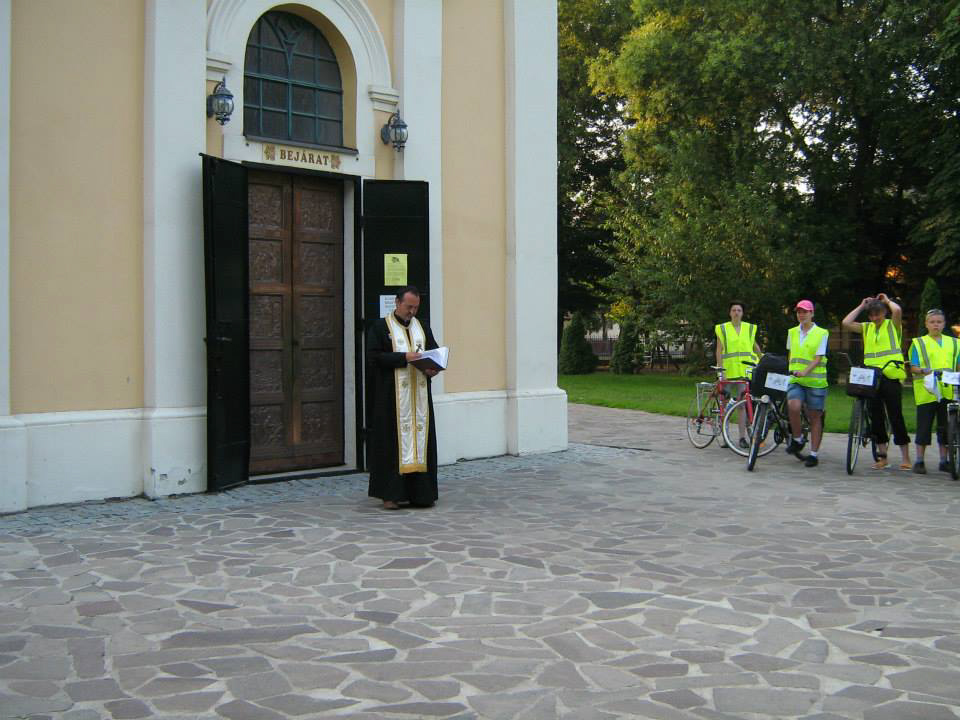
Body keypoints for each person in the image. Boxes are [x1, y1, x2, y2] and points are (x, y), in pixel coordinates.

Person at [366, 286, 440, 509]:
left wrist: (434, 368)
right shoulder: (380, 327)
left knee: (421, 443)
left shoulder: (422, 327)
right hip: (391, 398)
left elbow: (434, 352)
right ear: (397, 303)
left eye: (416, 308)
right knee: (391, 445)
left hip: (419, 399)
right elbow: (374, 357)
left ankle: (422, 494)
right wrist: (403, 357)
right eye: (409, 307)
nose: (412, 312)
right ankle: (390, 495)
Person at [841, 294, 912, 470]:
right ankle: (883, 457)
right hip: (871, 376)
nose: (874, 318)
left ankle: (906, 458)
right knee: (876, 416)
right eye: (871, 315)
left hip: (890, 375)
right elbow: (846, 323)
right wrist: (861, 305)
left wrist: (887, 301)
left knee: (895, 416)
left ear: (884, 313)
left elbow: (897, 310)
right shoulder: (867, 328)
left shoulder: (893, 325)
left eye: (877, 314)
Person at [909, 308, 960, 475]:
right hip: (927, 390)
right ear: (926, 324)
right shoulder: (919, 343)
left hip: (948, 390)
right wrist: (924, 371)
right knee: (924, 426)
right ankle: (919, 461)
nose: (935, 325)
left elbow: (957, 365)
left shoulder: (955, 343)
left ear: (944, 324)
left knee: (946, 427)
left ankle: (944, 460)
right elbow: (913, 367)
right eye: (932, 322)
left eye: (939, 322)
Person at [786, 300, 828, 467]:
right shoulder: (792, 332)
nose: (801, 315)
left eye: (805, 312)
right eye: (799, 312)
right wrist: (791, 369)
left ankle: (813, 454)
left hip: (815, 381)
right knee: (793, 406)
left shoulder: (821, 333)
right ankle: (797, 438)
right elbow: (791, 354)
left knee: (815, 417)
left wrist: (805, 371)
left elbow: (818, 358)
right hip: (796, 379)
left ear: (812, 313)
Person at [715, 301, 762, 448]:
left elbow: (754, 346)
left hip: (744, 372)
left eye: (739, 310)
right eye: (734, 310)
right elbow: (719, 350)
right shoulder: (723, 328)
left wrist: (762, 359)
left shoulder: (749, 328)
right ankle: (725, 436)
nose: (736, 312)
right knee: (724, 404)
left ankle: (742, 438)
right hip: (728, 372)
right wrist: (720, 370)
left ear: (742, 313)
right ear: (730, 313)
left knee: (742, 405)